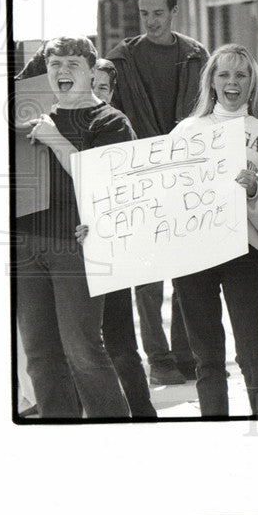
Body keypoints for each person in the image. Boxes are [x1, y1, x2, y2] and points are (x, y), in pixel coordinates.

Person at [170, 44, 258, 416]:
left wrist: (257, 186)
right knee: (207, 358)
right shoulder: (187, 130)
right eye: (223, 74)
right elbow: (166, 191)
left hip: (243, 251)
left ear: (252, 83)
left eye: (240, 74)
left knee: (254, 352)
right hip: (195, 253)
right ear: (211, 81)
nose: (232, 82)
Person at [15, 36, 131, 418]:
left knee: (82, 349)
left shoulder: (110, 121)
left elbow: (107, 187)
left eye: (72, 64)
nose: (62, 71)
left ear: (91, 69)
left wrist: (54, 138)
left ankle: (113, 433)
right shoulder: (32, 114)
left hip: (78, 246)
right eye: (55, 64)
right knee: (39, 354)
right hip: (28, 244)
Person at [107, 0, 208, 385]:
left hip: (188, 175)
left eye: (158, 13)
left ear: (173, 11)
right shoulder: (122, 60)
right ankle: (159, 359)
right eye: (144, 13)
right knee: (147, 278)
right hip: (141, 177)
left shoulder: (195, 56)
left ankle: (185, 354)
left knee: (189, 271)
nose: (150, 21)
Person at [89, 58, 157, 417]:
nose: (95, 94)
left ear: (112, 92)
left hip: (111, 247)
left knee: (119, 340)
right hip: (75, 246)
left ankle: (142, 411)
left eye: (102, 88)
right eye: (91, 85)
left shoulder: (118, 125)